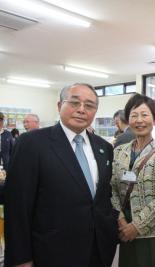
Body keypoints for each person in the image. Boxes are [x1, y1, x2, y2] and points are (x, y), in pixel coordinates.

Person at [4, 83, 118, 267]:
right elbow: (18, 206)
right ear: (59, 106)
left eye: (89, 106)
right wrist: (21, 258)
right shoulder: (32, 143)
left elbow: (103, 196)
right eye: (74, 103)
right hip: (52, 252)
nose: (81, 110)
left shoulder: (103, 147)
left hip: (98, 250)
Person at [111, 94, 155, 267]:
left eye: (144, 114)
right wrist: (121, 221)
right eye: (134, 115)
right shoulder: (119, 152)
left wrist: (136, 227)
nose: (139, 120)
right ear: (128, 119)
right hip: (124, 229)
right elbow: (112, 189)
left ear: (154, 119)